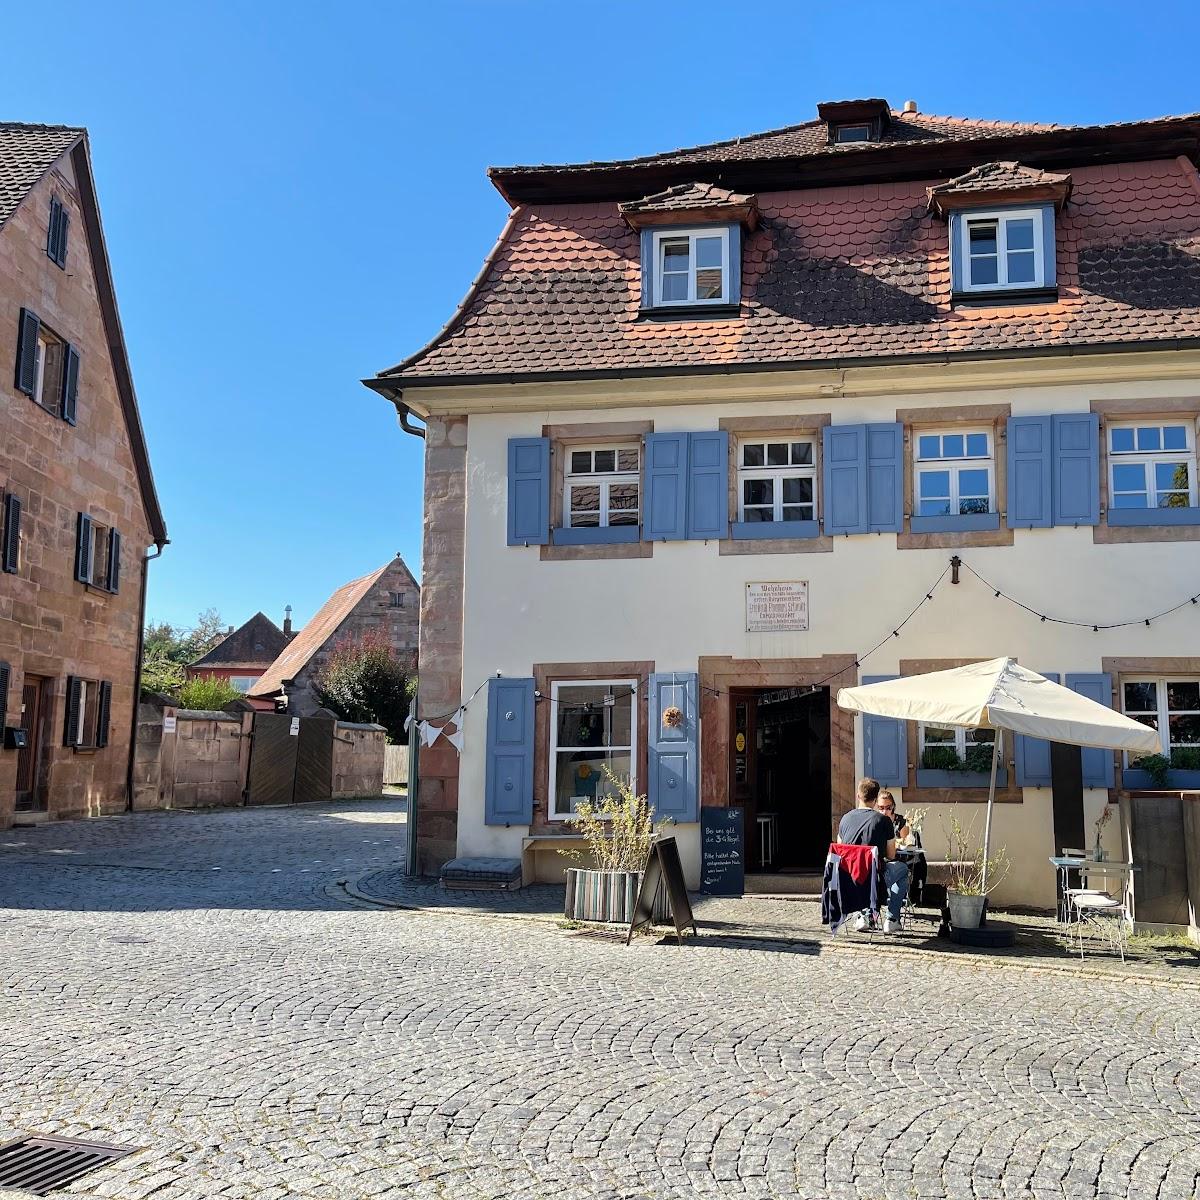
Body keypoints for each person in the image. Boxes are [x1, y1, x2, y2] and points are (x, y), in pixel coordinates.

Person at [836, 777, 909, 933]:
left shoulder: (845, 819)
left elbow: (840, 850)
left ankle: (865, 915)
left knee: (869, 874)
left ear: (858, 796)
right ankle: (892, 919)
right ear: (876, 800)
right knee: (903, 870)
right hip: (874, 880)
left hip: (848, 878)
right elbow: (890, 855)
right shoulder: (883, 821)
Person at [878, 790, 926, 905]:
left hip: (899, 859)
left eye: (888, 808)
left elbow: (905, 843)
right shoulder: (876, 822)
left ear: (893, 806)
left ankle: (894, 907)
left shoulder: (900, 822)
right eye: (881, 808)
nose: (884, 811)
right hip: (882, 860)